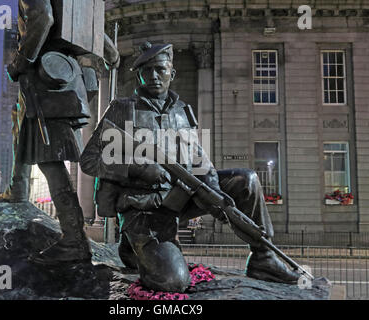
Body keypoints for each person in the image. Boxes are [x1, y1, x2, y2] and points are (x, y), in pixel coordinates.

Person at [80, 41, 300, 292]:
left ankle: (264, 258)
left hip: (178, 197)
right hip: (143, 209)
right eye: (147, 70)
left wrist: (215, 194)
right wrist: (136, 168)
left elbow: (200, 163)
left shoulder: (183, 112)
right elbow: (89, 160)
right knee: (172, 282)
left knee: (246, 180)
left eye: (160, 69)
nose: (154, 76)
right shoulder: (122, 109)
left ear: (171, 74)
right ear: (138, 75)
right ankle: (135, 248)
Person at [0, 0, 120, 265]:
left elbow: (43, 17)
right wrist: (110, 52)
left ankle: (75, 239)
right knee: (40, 148)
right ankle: (19, 190)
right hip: (66, 75)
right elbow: (95, 29)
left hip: (45, 77)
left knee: (50, 161)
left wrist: (20, 62)